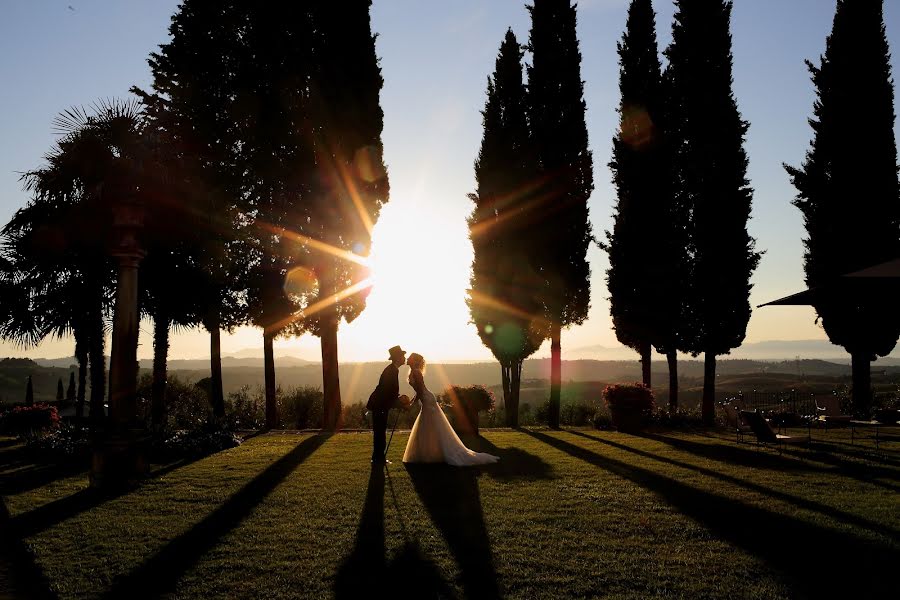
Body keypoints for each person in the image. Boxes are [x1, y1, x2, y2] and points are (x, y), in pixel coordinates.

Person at [402, 352, 499, 466]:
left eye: (409, 357)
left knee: (430, 425)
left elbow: (420, 391)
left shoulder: (416, 372)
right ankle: (430, 452)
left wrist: (411, 404)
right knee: (430, 425)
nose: (407, 359)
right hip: (426, 398)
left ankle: (432, 453)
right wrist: (412, 402)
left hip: (427, 399)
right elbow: (418, 391)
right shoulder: (414, 372)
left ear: (413, 360)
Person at [367, 345, 409, 465]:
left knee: (380, 431)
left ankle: (377, 458)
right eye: (403, 356)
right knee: (380, 432)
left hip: (379, 405)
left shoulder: (392, 369)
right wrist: (400, 403)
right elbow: (388, 393)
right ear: (398, 358)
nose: (404, 358)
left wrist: (398, 400)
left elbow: (390, 392)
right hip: (379, 405)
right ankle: (378, 459)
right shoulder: (392, 371)